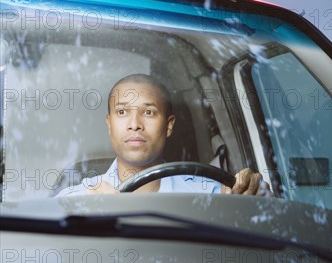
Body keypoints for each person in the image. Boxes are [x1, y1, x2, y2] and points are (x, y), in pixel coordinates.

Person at [57, 74, 272, 196]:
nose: (134, 124)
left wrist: (257, 194)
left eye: (148, 112)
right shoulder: (79, 198)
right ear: (110, 124)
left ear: (169, 126)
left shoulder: (208, 195)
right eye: (122, 112)